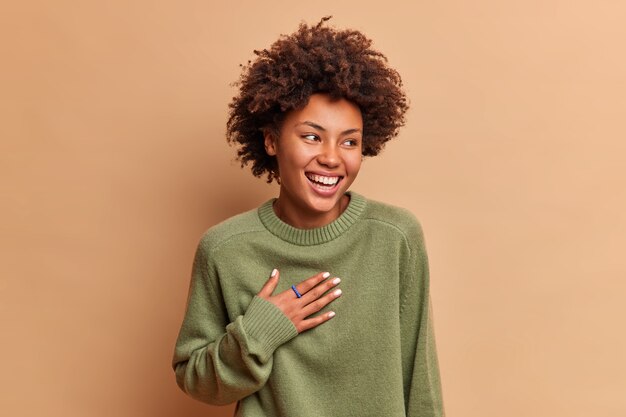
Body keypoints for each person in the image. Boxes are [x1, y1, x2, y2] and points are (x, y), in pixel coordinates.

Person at [172, 16, 445, 417]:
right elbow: (195, 379)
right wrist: (259, 331)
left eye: (349, 141)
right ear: (270, 140)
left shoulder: (395, 236)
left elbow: (420, 380)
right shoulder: (226, 249)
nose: (332, 157)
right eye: (312, 136)